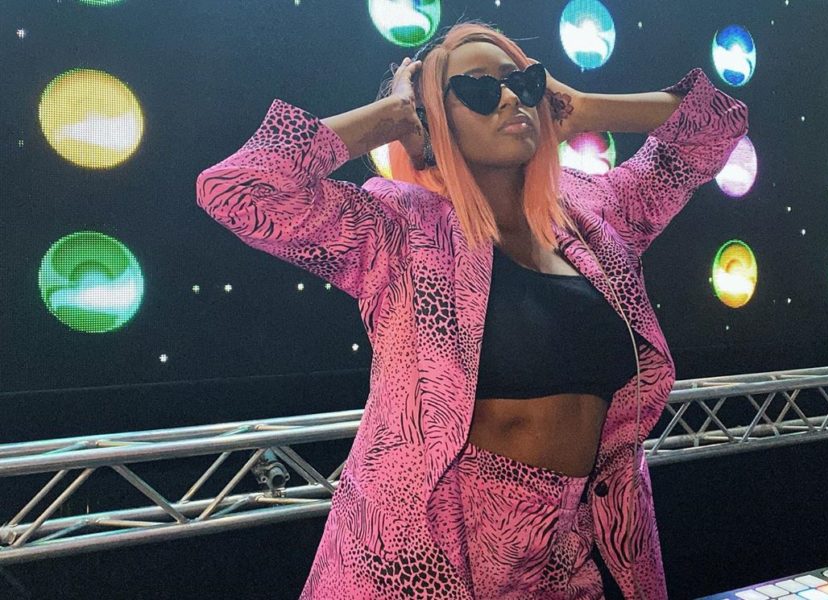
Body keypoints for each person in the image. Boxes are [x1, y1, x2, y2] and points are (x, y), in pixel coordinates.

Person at [196, 19, 748, 600]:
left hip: (576, 538)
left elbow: (716, 126)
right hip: (434, 543)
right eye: (478, 89)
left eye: (523, 82)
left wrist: (582, 108)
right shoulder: (398, 228)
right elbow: (237, 187)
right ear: (435, 116)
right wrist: (392, 116)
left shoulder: (595, 211)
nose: (510, 98)